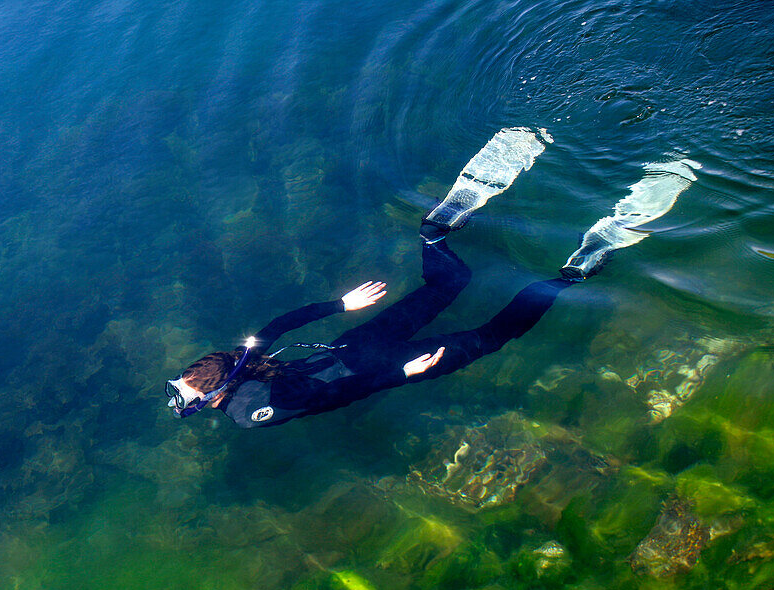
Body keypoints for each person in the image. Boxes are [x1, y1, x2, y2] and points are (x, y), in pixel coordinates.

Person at [164, 128, 700, 429]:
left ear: (218, 393)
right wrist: (341, 305)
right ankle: (433, 235)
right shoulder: (234, 356)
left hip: (382, 363)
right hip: (357, 340)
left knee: (494, 335)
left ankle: (570, 276)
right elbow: (277, 325)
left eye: (188, 400)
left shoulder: (249, 413)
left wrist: (404, 374)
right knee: (448, 284)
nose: (190, 404)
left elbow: (332, 398)